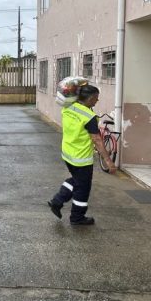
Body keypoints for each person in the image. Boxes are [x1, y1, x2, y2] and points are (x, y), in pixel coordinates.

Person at [47, 85, 116, 225]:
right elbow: (97, 139)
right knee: (83, 188)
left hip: (68, 153)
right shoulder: (89, 117)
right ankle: (77, 217)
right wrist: (108, 161)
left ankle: (57, 201)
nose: (97, 101)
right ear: (90, 98)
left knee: (77, 181)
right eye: (96, 98)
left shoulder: (68, 108)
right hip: (81, 158)